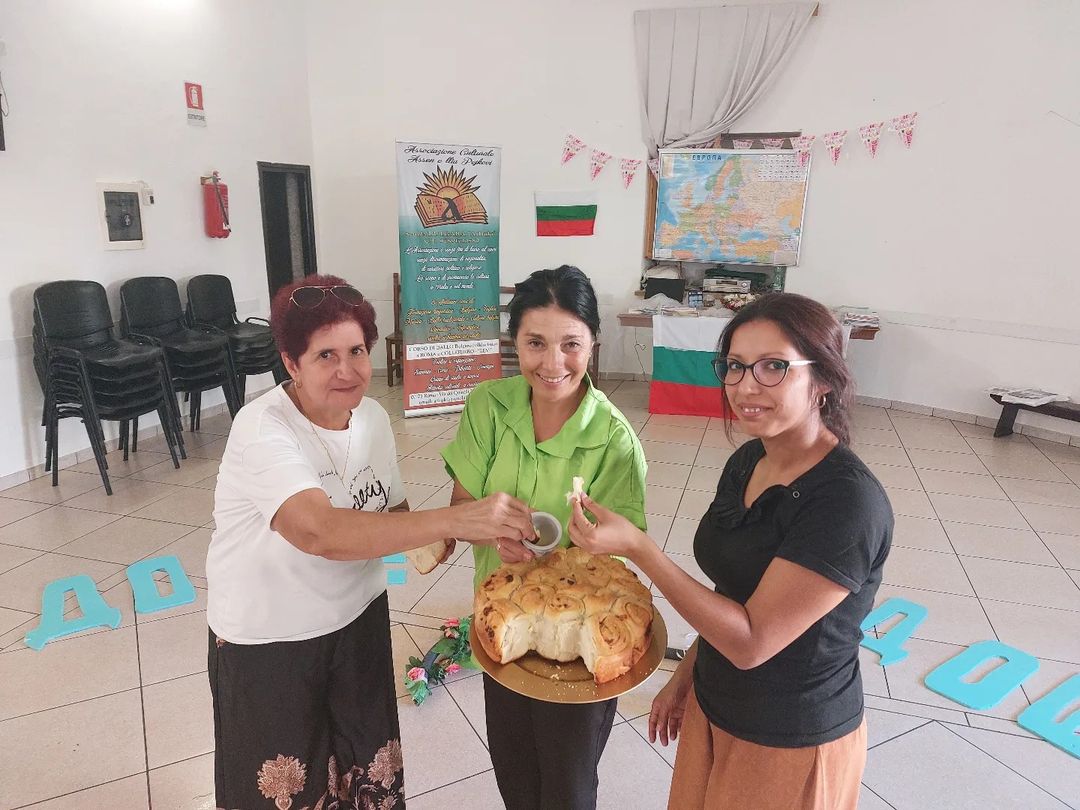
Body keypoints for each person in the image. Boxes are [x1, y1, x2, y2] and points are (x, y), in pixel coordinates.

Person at [205, 275, 534, 810]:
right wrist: (455, 519)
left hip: (358, 619)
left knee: (368, 772)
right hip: (273, 641)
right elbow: (318, 530)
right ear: (290, 363)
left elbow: (390, 509)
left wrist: (456, 533)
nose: (347, 370)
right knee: (288, 790)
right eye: (325, 355)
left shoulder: (373, 419)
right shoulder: (263, 430)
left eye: (357, 351)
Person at [568, 293, 893, 810]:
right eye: (736, 366)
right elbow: (733, 592)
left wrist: (639, 548)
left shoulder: (846, 504)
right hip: (716, 702)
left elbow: (751, 641)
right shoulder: (748, 461)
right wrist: (687, 675)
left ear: (824, 380)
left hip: (789, 735)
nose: (746, 386)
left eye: (774, 367)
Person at [441, 265, 648, 810]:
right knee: (514, 774)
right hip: (503, 624)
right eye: (535, 343)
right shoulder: (488, 407)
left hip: (583, 642)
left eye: (570, 344)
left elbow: (622, 560)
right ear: (514, 342)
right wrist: (493, 531)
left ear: (593, 342)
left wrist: (574, 552)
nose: (553, 364)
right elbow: (461, 507)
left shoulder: (614, 441)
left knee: (567, 786)